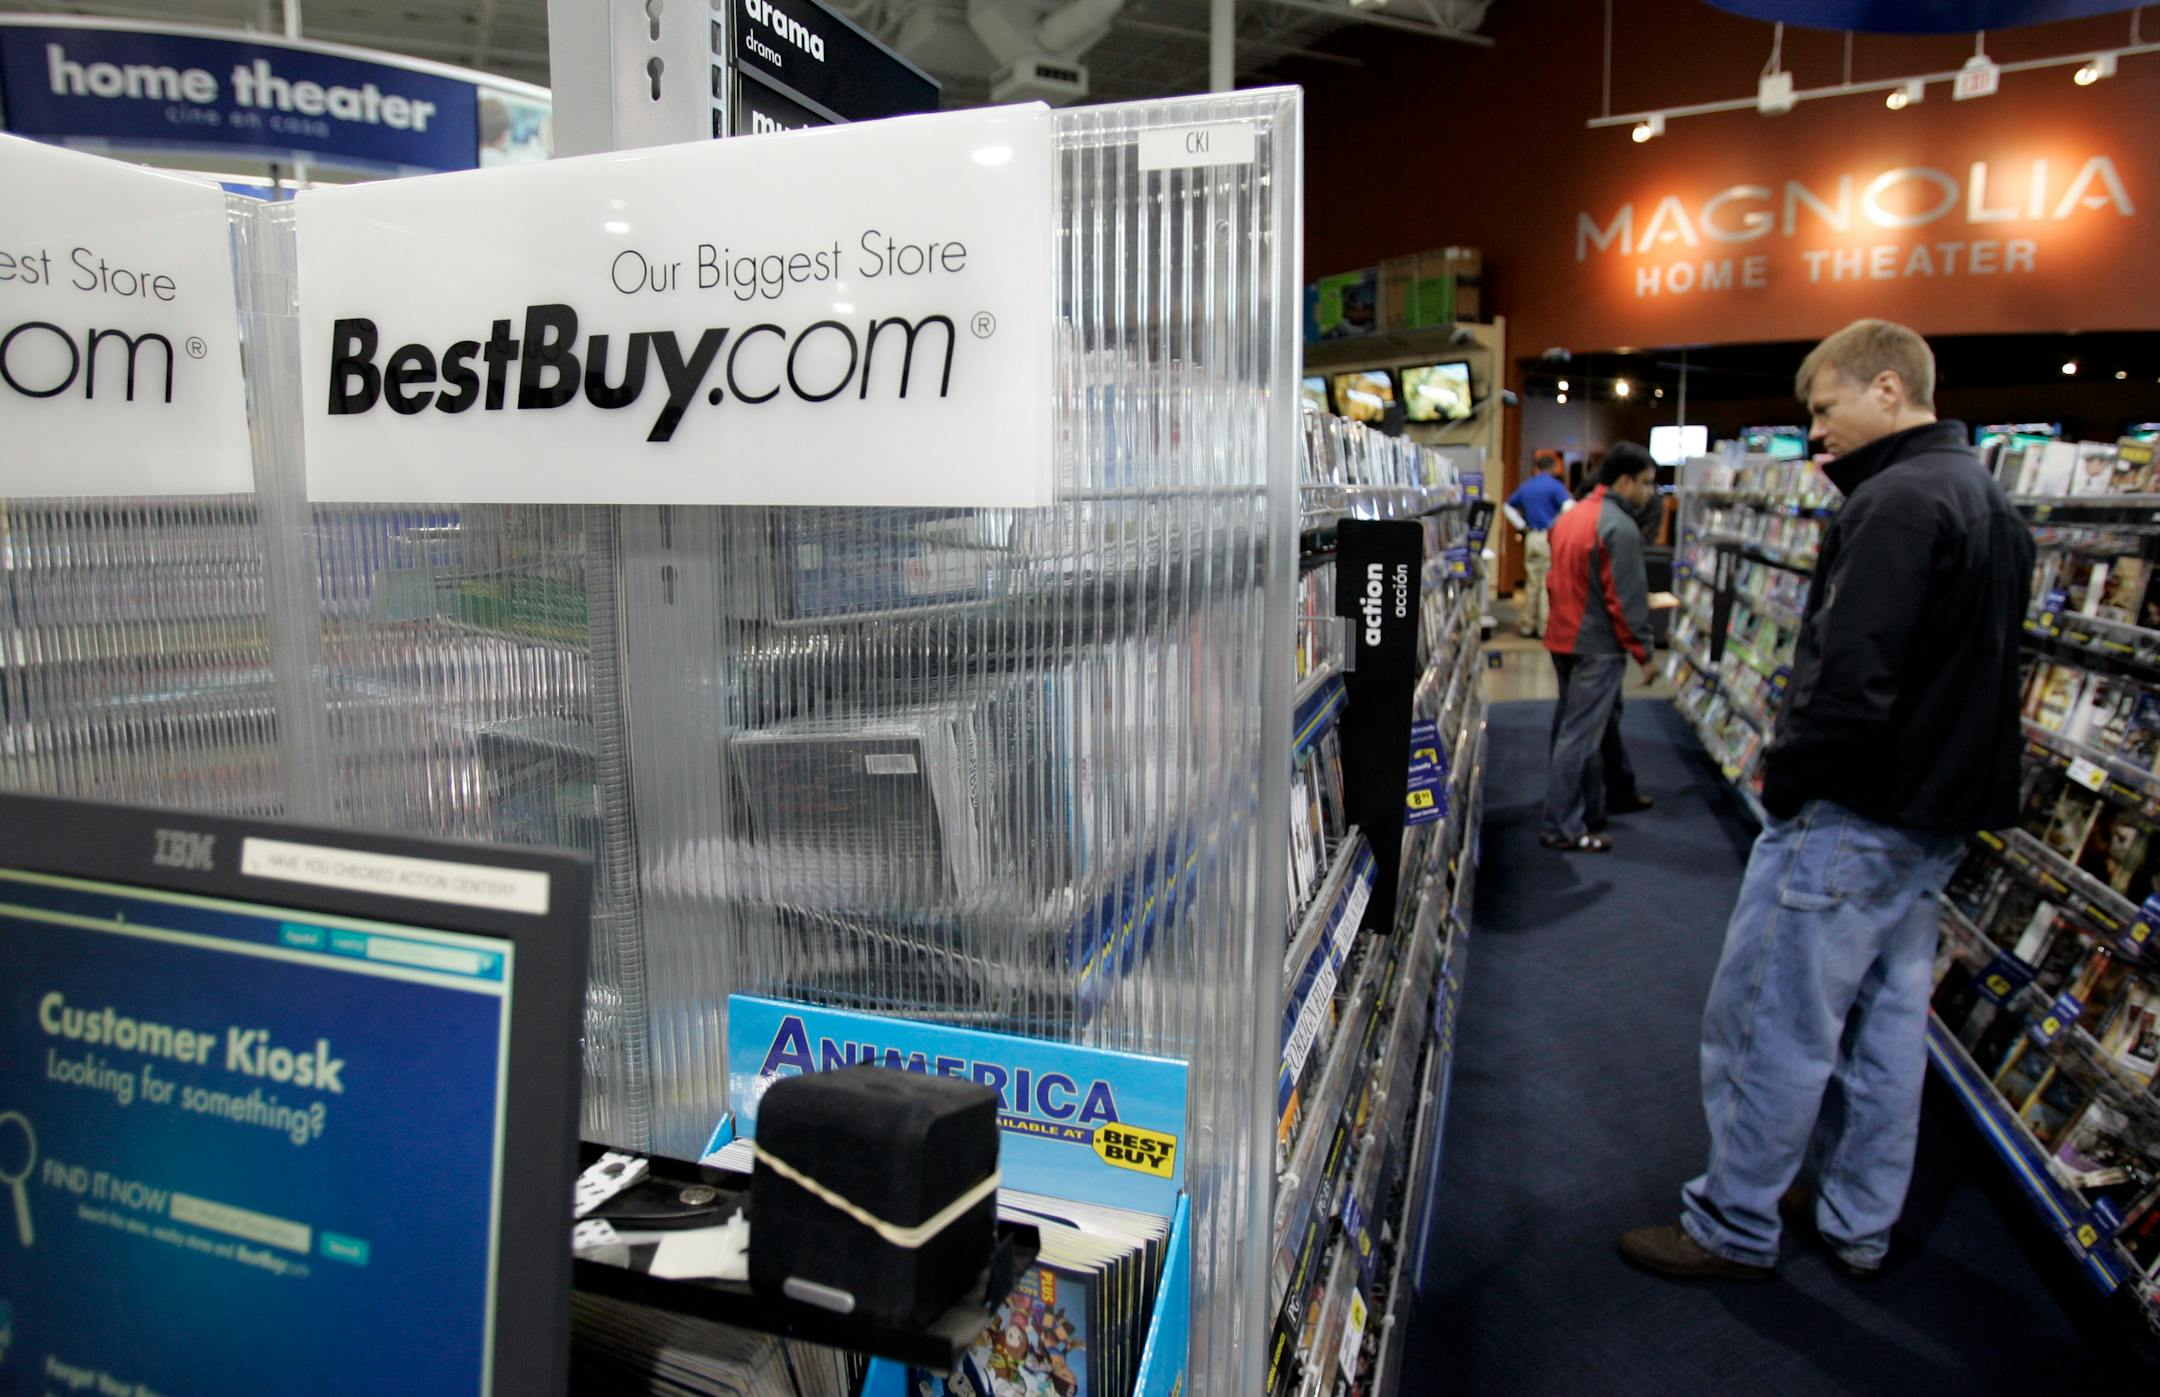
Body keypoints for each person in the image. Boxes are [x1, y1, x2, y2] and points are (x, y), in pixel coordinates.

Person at [1619, 319, 2032, 1280]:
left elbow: (1852, 677)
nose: (1816, 432)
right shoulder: (1986, 497)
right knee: (1886, 1028)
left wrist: (1790, 778)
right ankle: (1857, 1216)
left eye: (1824, 406)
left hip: (1853, 808)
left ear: (1888, 388)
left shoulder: (1895, 503)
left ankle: (1731, 1221)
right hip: (1931, 819)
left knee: (1771, 1020)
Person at [1539, 445, 1659, 852]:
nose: (1650, 493)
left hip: (1564, 637)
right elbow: (1625, 599)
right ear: (1624, 482)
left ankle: (1597, 806)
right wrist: (1644, 653)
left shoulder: (1569, 517)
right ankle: (1562, 825)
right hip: (1596, 644)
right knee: (1579, 736)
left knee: (1584, 727)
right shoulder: (1618, 527)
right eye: (1646, 483)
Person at [1505, 450, 1573, 638]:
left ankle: (1528, 625)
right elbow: (1569, 507)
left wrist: (1522, 526)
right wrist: (1555, 524)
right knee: (1546, 583)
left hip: (1531, 537)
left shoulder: (1527, 486)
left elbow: (1507, 506)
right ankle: (1544, 627)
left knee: (1532, 582)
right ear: (1553, 467)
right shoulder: (1555, 487)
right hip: (1548, 537)